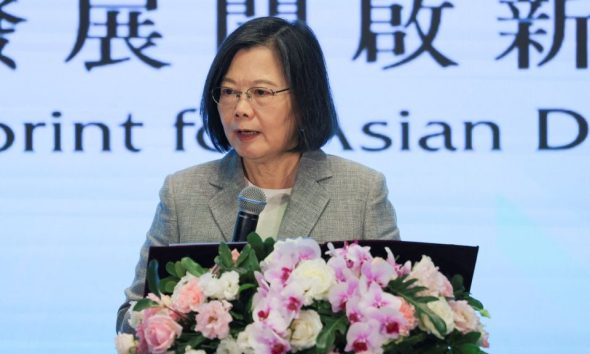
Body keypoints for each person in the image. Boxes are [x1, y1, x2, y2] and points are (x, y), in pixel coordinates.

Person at [116, 16, 400, 333]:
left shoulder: (361, 192)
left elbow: (391, 314)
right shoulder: (183, 194)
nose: (241, 108)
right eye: (229, 91)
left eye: (261, 92)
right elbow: (131, 316)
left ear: (304, 100)